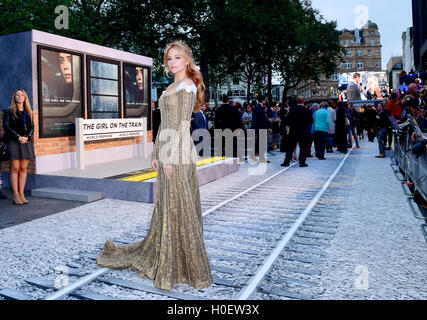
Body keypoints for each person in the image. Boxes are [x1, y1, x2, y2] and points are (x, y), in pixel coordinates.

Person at [97, 41, 213, 290]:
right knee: (167, 205)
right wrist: (156, 151)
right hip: (168, 149)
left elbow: (182, 125)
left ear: (188, 61)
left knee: (178, 203)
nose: (172, 63)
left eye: (177, 58)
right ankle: (169, 256)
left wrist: (169, 156)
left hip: (179, 153)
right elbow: (164, 125)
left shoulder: (187, 85)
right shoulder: (170, 86)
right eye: (169, 59)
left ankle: (184, 266)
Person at [2, 89, 35, 205]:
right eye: (17, 95)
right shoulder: (8, 111)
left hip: (25, 142)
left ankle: (21, 193)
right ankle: (15, 195)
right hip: (13, 141)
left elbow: (32, 127)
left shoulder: (28, 112)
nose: (20, 97)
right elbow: (6, 126)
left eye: (22, 95)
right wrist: (18, 137)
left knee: (23, 168)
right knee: (15, 168)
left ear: (25, 98)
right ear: (14, 98)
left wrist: (27, 137)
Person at [281, 96, 313, 167]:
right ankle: (302, 162)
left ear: (297, 101)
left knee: (290, 147)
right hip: (304, 131)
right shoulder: (307, 110)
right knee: (303, 148)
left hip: (293, 131)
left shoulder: (292, 109)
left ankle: (286, 162)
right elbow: (311, 121)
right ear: (304, 101)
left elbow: (287, 120)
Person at [251, 95, 272, 163]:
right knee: (261, 143)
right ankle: (261, 158)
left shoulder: (256, 107)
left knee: (258, 142)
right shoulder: (260, 107)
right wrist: (268, 127)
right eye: (265, 100)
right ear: (263, 100)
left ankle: (254, 155)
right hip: (261, 127)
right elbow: (263, 119)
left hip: (256, 126)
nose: (265, 101)